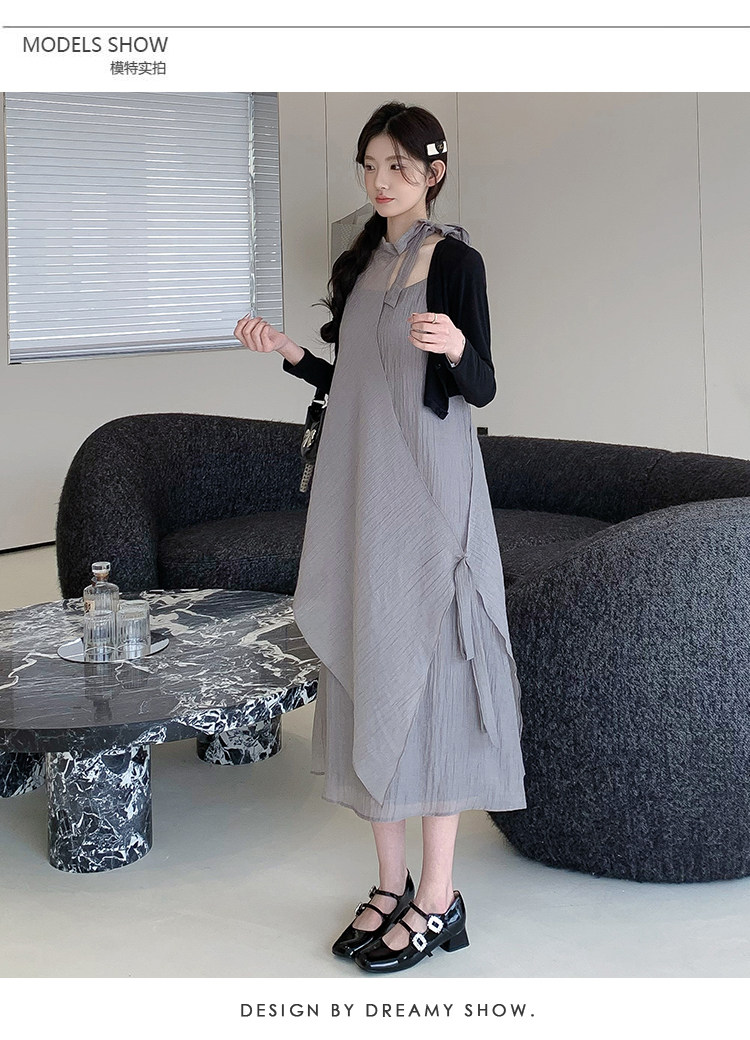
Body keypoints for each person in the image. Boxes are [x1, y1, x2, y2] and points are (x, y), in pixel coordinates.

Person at [234, 101, 526, 974]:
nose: (380, 180)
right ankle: (391, 883)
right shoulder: (360, 259)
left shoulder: (457, 260)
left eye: (398, 165)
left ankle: (440, 896)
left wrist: (456, 344)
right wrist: (291, 353)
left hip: (433, 489)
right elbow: (352, 379)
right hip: (361, 486)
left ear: (434, 171)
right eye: (369, 165)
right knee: (370, 660)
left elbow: (482, 385)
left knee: (432, 678)